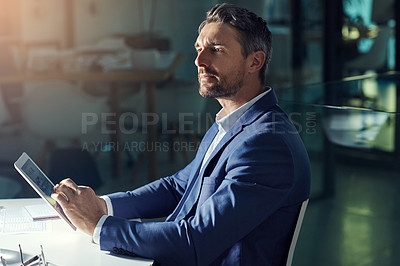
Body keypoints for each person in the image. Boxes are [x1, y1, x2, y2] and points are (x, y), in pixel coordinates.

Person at [51, 3, 311, 265]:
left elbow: (195, 240)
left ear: (255, 61)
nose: (199, 61)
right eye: (199, 49)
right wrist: (102, 206)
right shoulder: (232, 122)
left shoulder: (267, 142)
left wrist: (98, 225)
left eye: (216, 50)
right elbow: (179, 187)